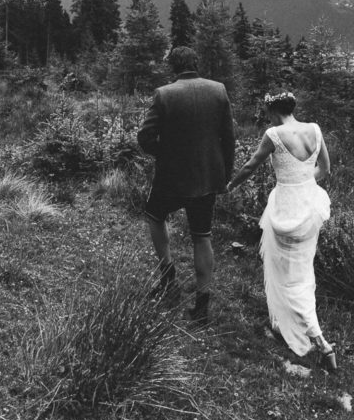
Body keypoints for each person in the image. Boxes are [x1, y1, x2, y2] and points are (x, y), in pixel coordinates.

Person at [227, 90, 336, 370]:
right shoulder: (314, 129)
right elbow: (324, 168)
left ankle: (321, 342)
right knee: (301, 271)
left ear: (272, 112)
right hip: (310, 208)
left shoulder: (273, 134)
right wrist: (302, 182)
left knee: (286, 275)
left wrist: (229, 186)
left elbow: (251, 165)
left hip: (286, 210)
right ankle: (282, 321)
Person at [137, 46, 235, 325]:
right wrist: (225, 175)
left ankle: (167, 276)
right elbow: (229, 138)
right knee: (202, 235)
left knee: (155, 216)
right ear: (196, 64)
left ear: (173, 67)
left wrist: (165, 153)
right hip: (207, 176)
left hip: (172, 176)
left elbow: (145, 138)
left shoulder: (164, 94)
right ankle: (202, 305)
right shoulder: (218, 90)